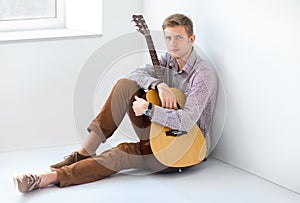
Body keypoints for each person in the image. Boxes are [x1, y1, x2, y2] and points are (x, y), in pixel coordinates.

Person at [13, 13, 217, 193]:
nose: (173, 44)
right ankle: (84, 152)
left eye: (179, 38)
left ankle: (44, 179)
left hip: (185, 149)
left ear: (192, 39)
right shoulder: (167, 60)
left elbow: (187, 121)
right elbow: (135, 73)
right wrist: (158, 86)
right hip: (160, 131)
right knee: (125, 85)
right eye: (168, 38)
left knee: (119, 154)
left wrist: (149, 109)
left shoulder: (203, 74)